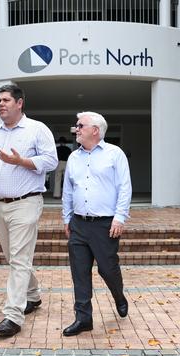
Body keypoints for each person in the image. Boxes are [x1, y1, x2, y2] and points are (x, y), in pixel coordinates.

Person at [0, 84, 58, 337]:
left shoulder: (37, 129)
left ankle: (13, 316)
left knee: (19, 259)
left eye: (6, 100)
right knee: (14, 257)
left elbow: (51, 161)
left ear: (19, 103)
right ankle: (32, 295)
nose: (1, 104)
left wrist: (21, 161)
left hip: (27, 203)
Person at [61, 111, 132, 336]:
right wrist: (67, 218)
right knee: (79, 273)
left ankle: (118, 296)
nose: (76, 129)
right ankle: (83, 318)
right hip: (79, 223)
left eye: (80, 125)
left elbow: (124, 188)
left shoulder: (114, 154)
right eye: (76, 126)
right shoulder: (73, 157)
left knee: (107, 269)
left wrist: (119, 217)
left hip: (105, 225)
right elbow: (68, 190)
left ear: (96, 130)